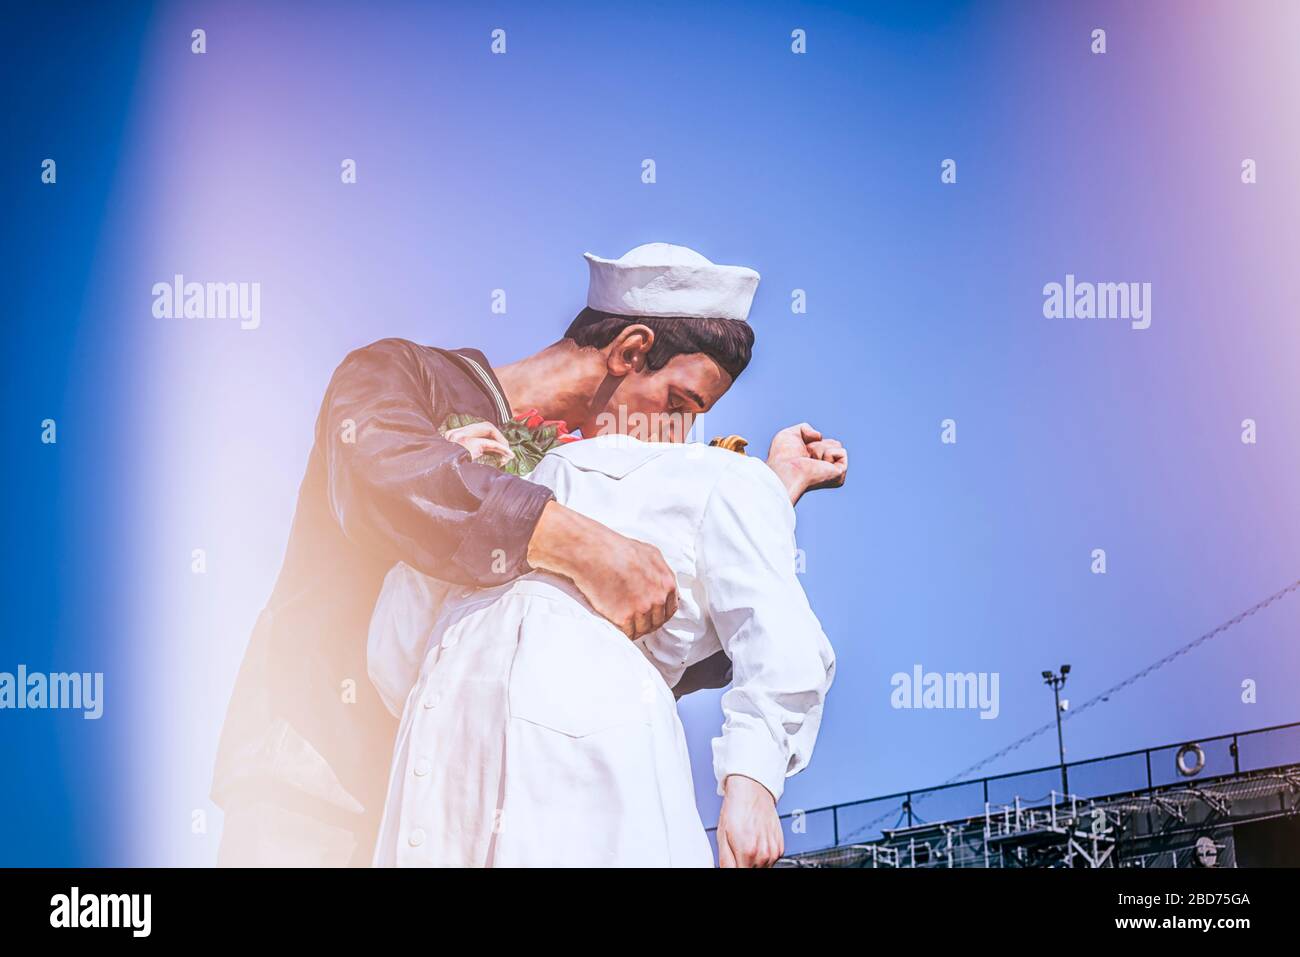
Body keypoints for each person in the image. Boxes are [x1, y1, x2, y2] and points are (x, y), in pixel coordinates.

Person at [212, 242, 798, 865]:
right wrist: (584, 547)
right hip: (315, 788)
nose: (678, 438)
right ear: (630, 350)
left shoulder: (581, 478)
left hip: (458, 818)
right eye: (680, 407)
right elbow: (387, 476)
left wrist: (760, 508)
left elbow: (642, 640)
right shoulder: (398, 374)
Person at [368, 424, 846, 867]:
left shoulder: (715, 479)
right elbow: (394, 668)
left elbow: (778, 633)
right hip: (437, 783)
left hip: (590, 782)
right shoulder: (464, 592)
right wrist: (445, 494)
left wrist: (753, 781)